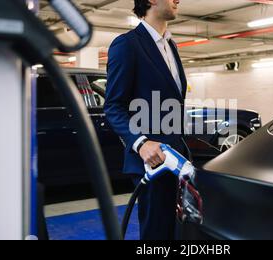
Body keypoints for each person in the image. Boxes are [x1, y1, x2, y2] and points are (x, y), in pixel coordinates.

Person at [104, 0, 188, 240]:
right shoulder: (127, 45)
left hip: (175, 159)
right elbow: (113, 106)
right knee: (156, 234)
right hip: (151, 161)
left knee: (175, 231)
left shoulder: (170, 45)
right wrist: (140, 142)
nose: (178, 0)